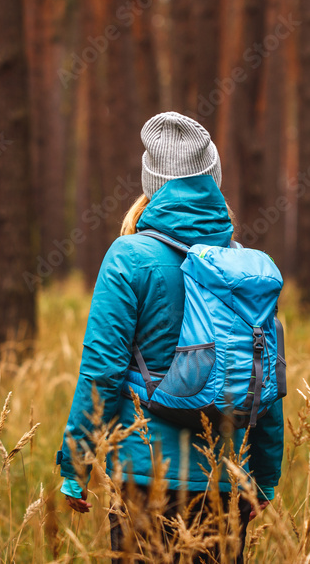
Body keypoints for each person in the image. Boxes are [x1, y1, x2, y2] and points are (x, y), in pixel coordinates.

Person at [55, 111, 284, 563]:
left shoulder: (129, 256)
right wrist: (264, 477)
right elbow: (265, 379)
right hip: (224, 485)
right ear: (213, 180)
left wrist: (75, 466)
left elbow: (101, 370)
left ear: (152, 185)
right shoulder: (242, 266)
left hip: (145, 479)